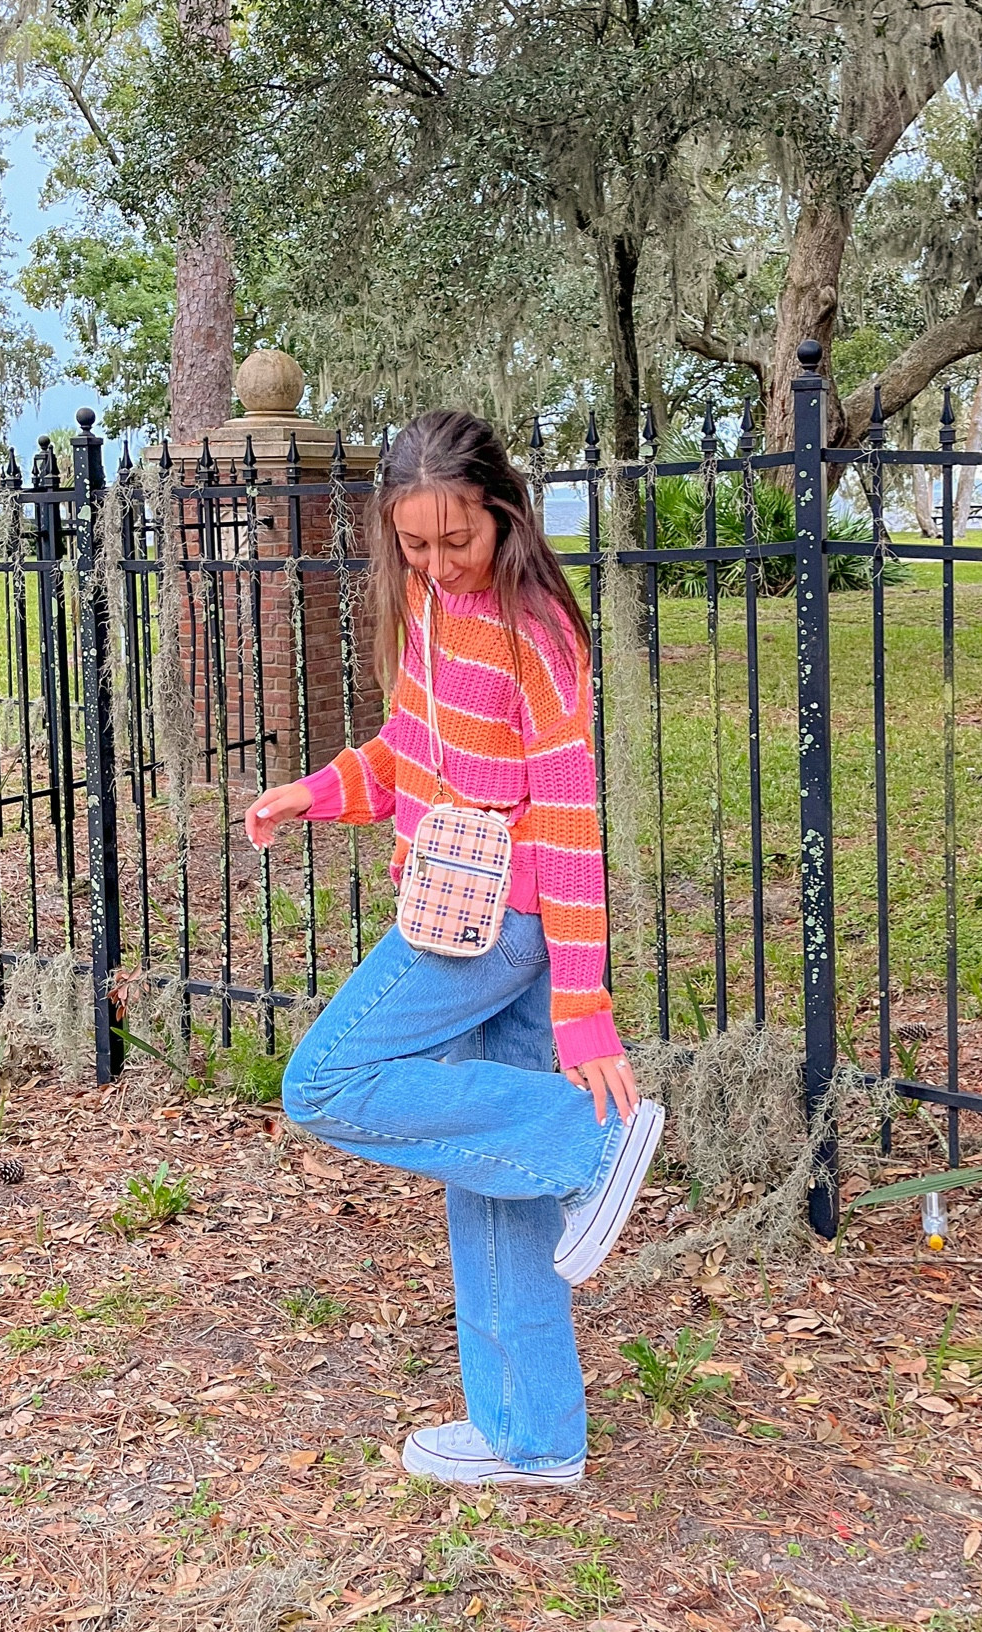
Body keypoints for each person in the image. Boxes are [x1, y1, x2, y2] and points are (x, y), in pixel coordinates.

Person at [246, 408, 664, 1489]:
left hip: (502, 923)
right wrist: (318, 789)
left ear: (503, 513)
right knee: (496, 1179)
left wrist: (585, 1005)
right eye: (414, 543)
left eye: (456, 541)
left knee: (325, 1079)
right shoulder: (429, 611)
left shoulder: (536, 631)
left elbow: (569, 817)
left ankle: (589, 1139)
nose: (436, 561)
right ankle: (533, 1438)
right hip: (453, 900)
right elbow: (408, 755)